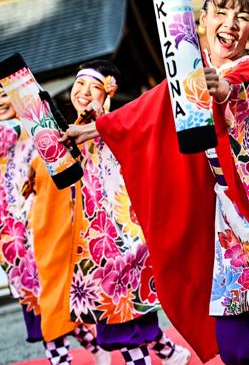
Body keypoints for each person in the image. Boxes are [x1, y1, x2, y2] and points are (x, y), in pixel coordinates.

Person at [62, 0, 249, 365]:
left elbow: (246, 87)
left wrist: (221, 86)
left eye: (243, 17)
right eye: (220, 13)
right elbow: (146, 110)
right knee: (237, 343)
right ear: (201, 19)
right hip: (226, 222)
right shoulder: (187, 79)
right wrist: (96, 128)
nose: (231, 24)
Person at [55, 62, 191, 365]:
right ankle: (171, 353)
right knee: (120, 314)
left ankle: (161, 356)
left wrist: (101, 119)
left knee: (125, 313)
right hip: (93, 234)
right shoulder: (67, 130)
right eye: (79, 85)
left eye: (94, 87)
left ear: (109, 91)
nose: (84, 92)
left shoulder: (116, 121)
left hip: (124, 231)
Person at [0, 77, 111, 365]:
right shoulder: (6, 135)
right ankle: (96, 346)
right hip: (8, 239)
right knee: (47, 301)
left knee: (50, 299)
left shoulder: (35, 128)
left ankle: (63, 359)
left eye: (2, 96)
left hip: (43, 226)